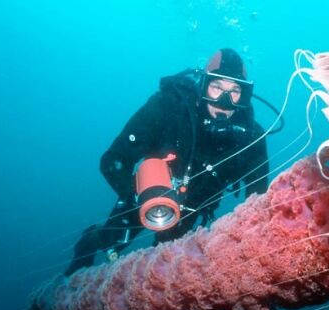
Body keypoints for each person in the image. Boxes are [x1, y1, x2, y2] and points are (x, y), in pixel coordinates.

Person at [65, 49, 270, 276]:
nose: (224, 101)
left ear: (245, 95)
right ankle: (87, 246)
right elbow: (113, 160)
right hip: (145, 194)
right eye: (217, 87)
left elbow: (259, 201)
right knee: (111, 239)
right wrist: (136, 193)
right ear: (203, 84)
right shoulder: (167, 108)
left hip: (192, 209)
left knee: (162, 268)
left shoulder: (251, 137)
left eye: (234, 91)